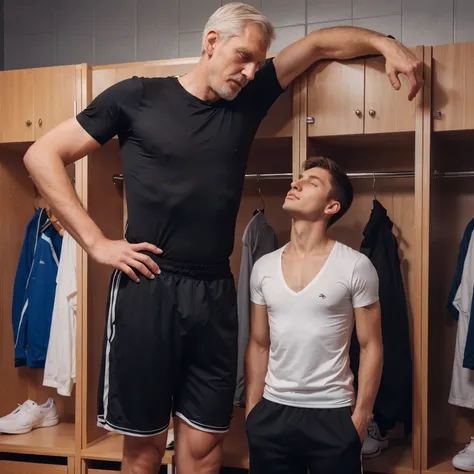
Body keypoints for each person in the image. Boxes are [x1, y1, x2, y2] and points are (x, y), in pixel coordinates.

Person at [23, 2, 421, 473]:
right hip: (148, 286)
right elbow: (42, 154)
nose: (251, 73)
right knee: (144, 453)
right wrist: (95, 242)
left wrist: (385, 44)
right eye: (244, 57)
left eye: (258, 63)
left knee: (207, 449)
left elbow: (316, 45)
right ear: (212, 42)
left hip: (214, 290)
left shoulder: (245, 100)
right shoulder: (136, 97)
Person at [245, 156, 383, 473]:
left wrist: (361, 417)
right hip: (272, 413)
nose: (296, 183)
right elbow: (258, 343)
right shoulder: (263, 267)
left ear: (331, 206)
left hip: (332, 414)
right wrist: (253, 410)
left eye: (312, 182)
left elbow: (371, 345)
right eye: (298, 178)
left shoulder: (355, 266)